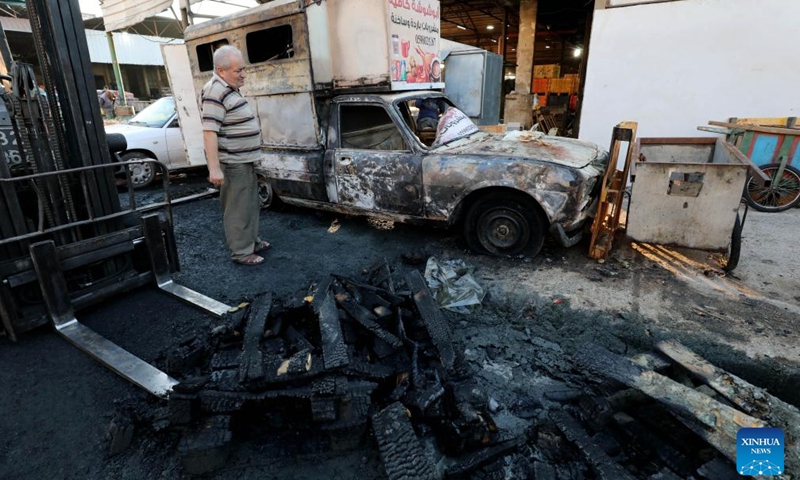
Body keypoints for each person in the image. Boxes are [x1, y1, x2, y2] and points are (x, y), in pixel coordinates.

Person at [201, 45, 270, 266]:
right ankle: (241, 252)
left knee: (249, 203)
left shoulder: (227, 88)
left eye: (243, 69)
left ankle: (252, 242)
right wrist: (214, 168)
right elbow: (209, 132)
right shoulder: (215, 91)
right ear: (221, 70)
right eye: (237, 71)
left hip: (243, 160)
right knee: (237, 207)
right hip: (232, 162)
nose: (243, 75)